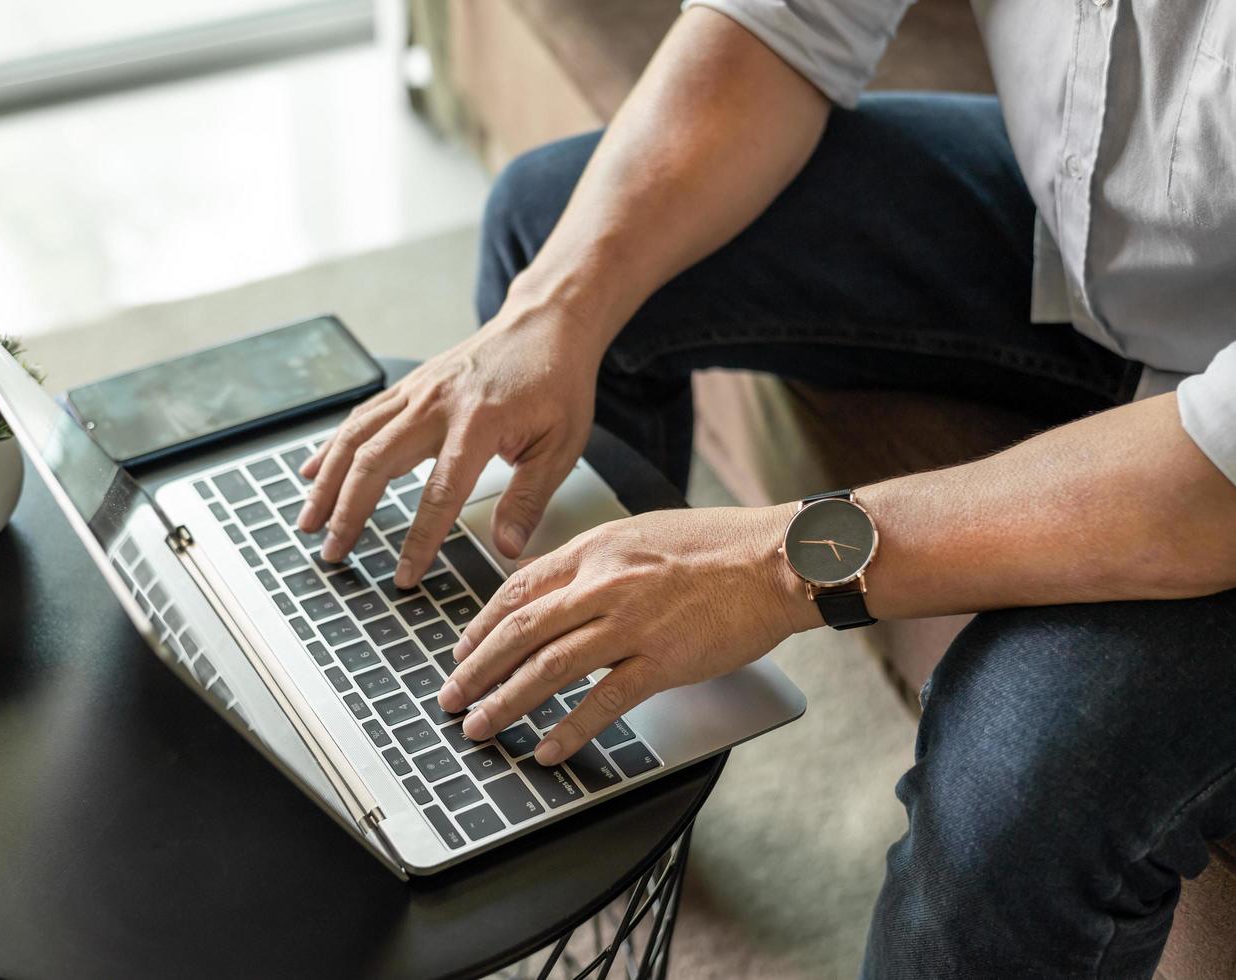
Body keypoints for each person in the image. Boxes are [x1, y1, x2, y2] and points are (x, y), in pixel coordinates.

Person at [296, 2, 1236, 974]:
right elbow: (786, 21)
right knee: (553, 224)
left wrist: (773, 560)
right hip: (1130, 253)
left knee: (1026, 775)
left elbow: (1211, 486)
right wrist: (551, 308)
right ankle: (587, 773)